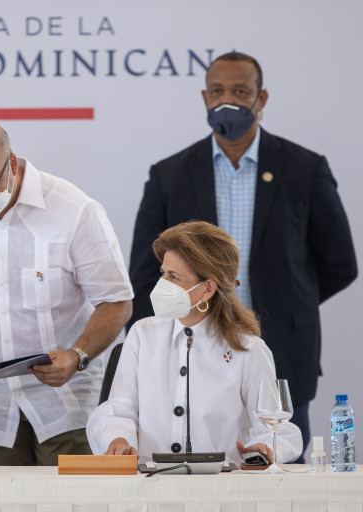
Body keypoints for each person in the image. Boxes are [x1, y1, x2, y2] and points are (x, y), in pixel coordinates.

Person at [128, 52, 357, 460]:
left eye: (240, 91)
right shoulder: (170, 174)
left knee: (276, 458)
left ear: (260, 98)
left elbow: (340, 262)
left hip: (283, 346)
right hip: (193, 347)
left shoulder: (304, 168)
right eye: (217, 91)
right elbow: (146, 270)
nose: (227, 101)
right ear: (204, 98)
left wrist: (288, 302)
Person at [0, 119, 134, 466]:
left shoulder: (74, 210)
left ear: (12, 163)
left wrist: (77, 355)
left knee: (70, 497)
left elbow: (116, 302)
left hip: (67, 404)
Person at [89, 221, 303, 464]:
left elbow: (275, 428)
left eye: (174, 276)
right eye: (163, 273)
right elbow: (119, 410)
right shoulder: (142, 334)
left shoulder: (248, 350)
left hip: (220, 482)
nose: (162, 284)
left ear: (207, 289)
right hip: (149, 480)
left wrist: (265, 448)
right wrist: (118, 439)